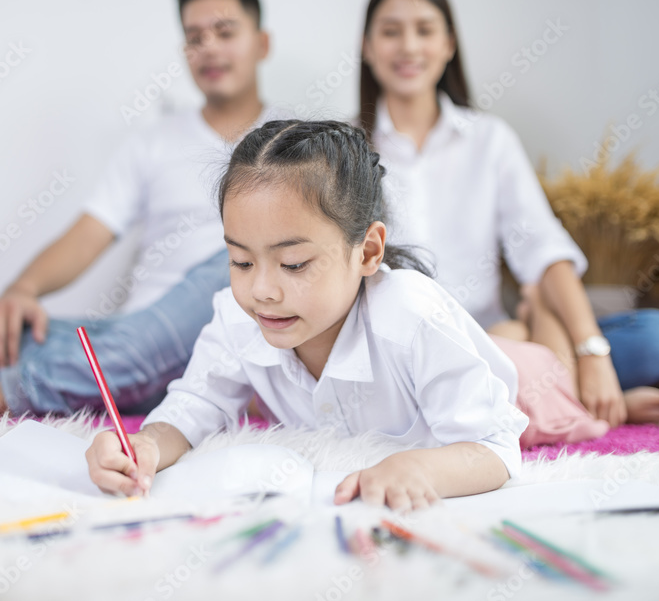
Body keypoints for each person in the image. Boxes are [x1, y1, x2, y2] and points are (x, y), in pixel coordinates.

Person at [86, 120, 529, 510]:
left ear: (367, 251)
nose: (261, 290)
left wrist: (417, 467)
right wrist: (145, 445)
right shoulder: (237, 317)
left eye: (294, 264)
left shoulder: (412, 317)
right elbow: (197, 404)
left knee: (533, 371)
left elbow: (495, 447)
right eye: (241, 261)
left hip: (520, 381)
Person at [356, 0, 659, 428]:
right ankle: (582, 404)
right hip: (396, 349)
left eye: (425, 30)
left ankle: (549, 391)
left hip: (494, 340)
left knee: (658, 338)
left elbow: (542, 248)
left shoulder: (489, 140)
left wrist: (592, 351)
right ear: (367, 47)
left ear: (449, 44)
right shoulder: (346, 149)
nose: (409, 46)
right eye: (391, 32)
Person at [0, 0, 281, 415]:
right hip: (139, 334)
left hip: (237, 322)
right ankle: (123, 378)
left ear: (262, 44)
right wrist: (21, 291)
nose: (209, 48)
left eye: (225, 32)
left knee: (238, 258)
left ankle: (10, 394)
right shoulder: (153, 142)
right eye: (195, 38)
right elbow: (89, 234)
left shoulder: (295, 143)